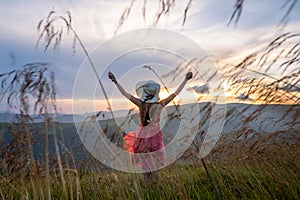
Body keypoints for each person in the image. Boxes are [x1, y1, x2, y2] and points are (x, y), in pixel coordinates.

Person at [108, 71, 193, 183]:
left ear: (144, 92)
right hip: (155, 137)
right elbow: (175, 93)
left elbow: (124, 93)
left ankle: (146, 190)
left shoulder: (141, 104)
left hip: (142, 138)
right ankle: (155, 190)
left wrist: (115, 81)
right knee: (155, 167)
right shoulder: (159, 105)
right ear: (155, 94)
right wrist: (186, 79)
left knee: (145, 168)